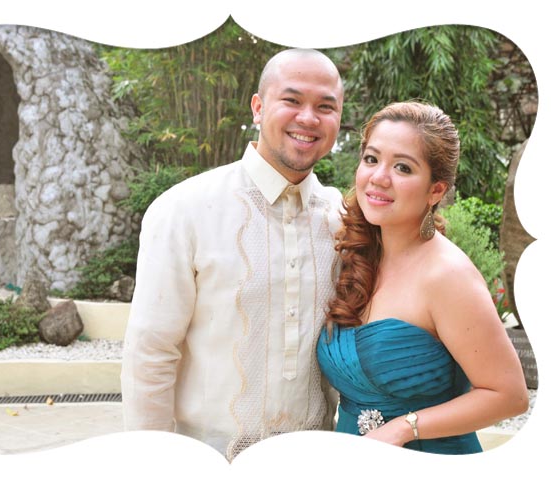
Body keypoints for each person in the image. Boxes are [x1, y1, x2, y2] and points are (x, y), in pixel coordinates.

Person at [121, 48, 345, 461]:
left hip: (313, 459)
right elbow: (150, 352)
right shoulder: (184, 210)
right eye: (292, 100)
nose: (308, 118)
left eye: (325, 107)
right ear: (258, 108)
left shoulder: (343, 221)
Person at [317, 101, 529, 454]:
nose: (379, 177)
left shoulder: (448, 277)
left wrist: (404, 427)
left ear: (436, 191)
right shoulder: (356, 255)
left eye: (402, 167)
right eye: (371, 159)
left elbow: (510, 395)